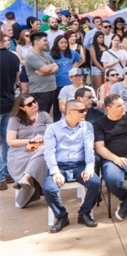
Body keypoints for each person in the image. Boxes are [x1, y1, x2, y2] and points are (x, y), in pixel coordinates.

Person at [41, 99, 101, 233]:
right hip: (60, 165)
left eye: (84, 110)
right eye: (81, 111)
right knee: (49, 189)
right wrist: (55, 172)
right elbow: (49, 152)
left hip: (79, 165)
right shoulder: (53, 129)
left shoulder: (87, 126)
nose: (84, 113)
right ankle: (62, 216)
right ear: (69, 112)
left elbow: (89, 148)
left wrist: (89, 167)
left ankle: (84, 213)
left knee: (95, 183)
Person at [5, 94, 51, 208]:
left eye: (35, 101)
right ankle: (45, 191)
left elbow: (52, 134)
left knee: (44, 151)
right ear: (22, 107)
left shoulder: (44, 115)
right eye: (30, 104)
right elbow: (10, 141)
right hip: (20, 154)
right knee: (43, 155)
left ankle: (26, 177)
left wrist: (43, 138)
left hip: (41, 149)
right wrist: (31, 140)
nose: (34, 104)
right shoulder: (15, 120)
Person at [25, 31, 59, 117]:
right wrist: (51, 67)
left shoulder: (45, 54)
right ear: (36, 42)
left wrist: (46, 72)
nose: (46, 43)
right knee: (39, 116)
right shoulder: (31, 56)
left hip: (51, 89)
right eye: (44, 41)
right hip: (40, 90)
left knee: (46, 115)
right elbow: (46, 68)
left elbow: (56, 67)